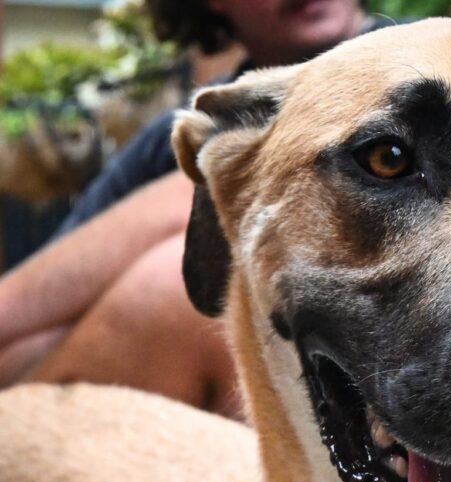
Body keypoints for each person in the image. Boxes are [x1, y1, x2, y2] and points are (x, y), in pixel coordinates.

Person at [0, 0, 367, 411]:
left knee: (171, 290)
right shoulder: (170, 138)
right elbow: (48, 306)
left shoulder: (421, 64)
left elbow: (224, 186)